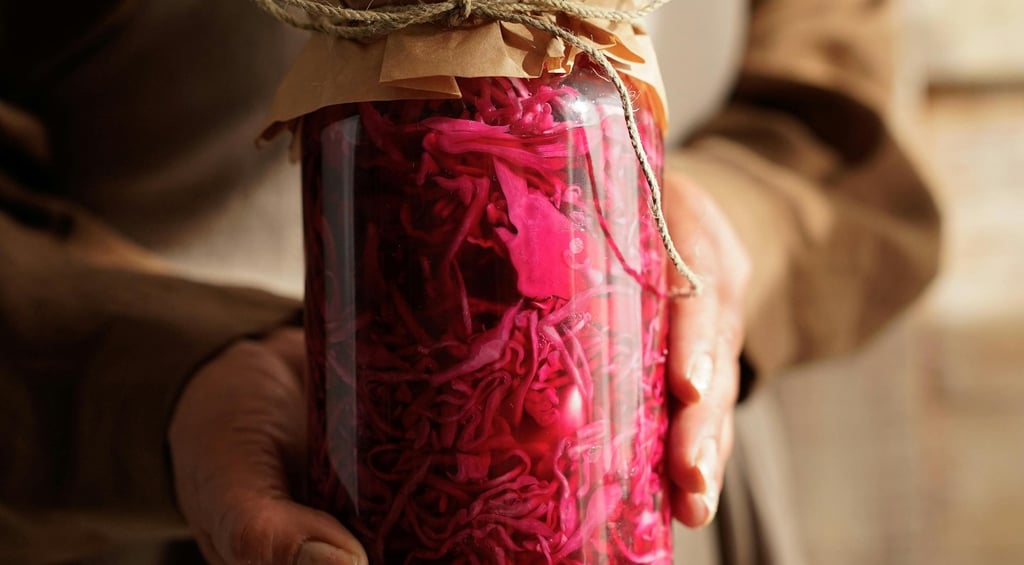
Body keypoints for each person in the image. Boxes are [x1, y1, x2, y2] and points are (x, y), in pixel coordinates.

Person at [0, 0, 941, 563]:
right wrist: (165, 367)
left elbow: (841, 103)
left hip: (647, 457)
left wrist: (727, 228)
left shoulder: (586, 109)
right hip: (157, 481)